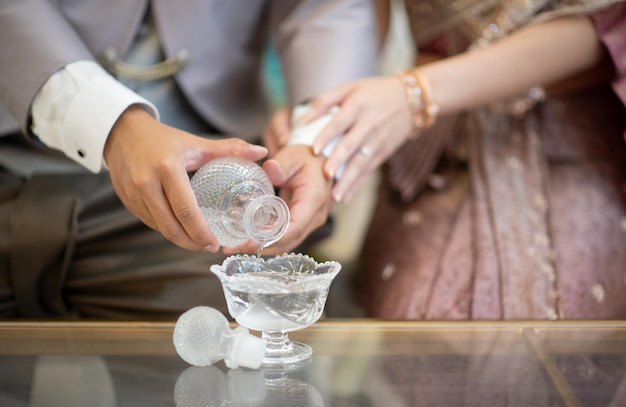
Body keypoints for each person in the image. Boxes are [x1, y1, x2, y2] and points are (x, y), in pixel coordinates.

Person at [0, 0, 378, 319]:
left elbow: (324, 8)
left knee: (242, 345)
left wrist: (317, 139)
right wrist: (113, 126)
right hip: (11, 147)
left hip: (197, 203)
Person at [284, 0, 626, 319]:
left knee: (567, 313)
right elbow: (345, 14)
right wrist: (319, 125)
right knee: (418, 311)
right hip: (434, 151)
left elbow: (610, 18)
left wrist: (416, 94)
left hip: (566, 135)